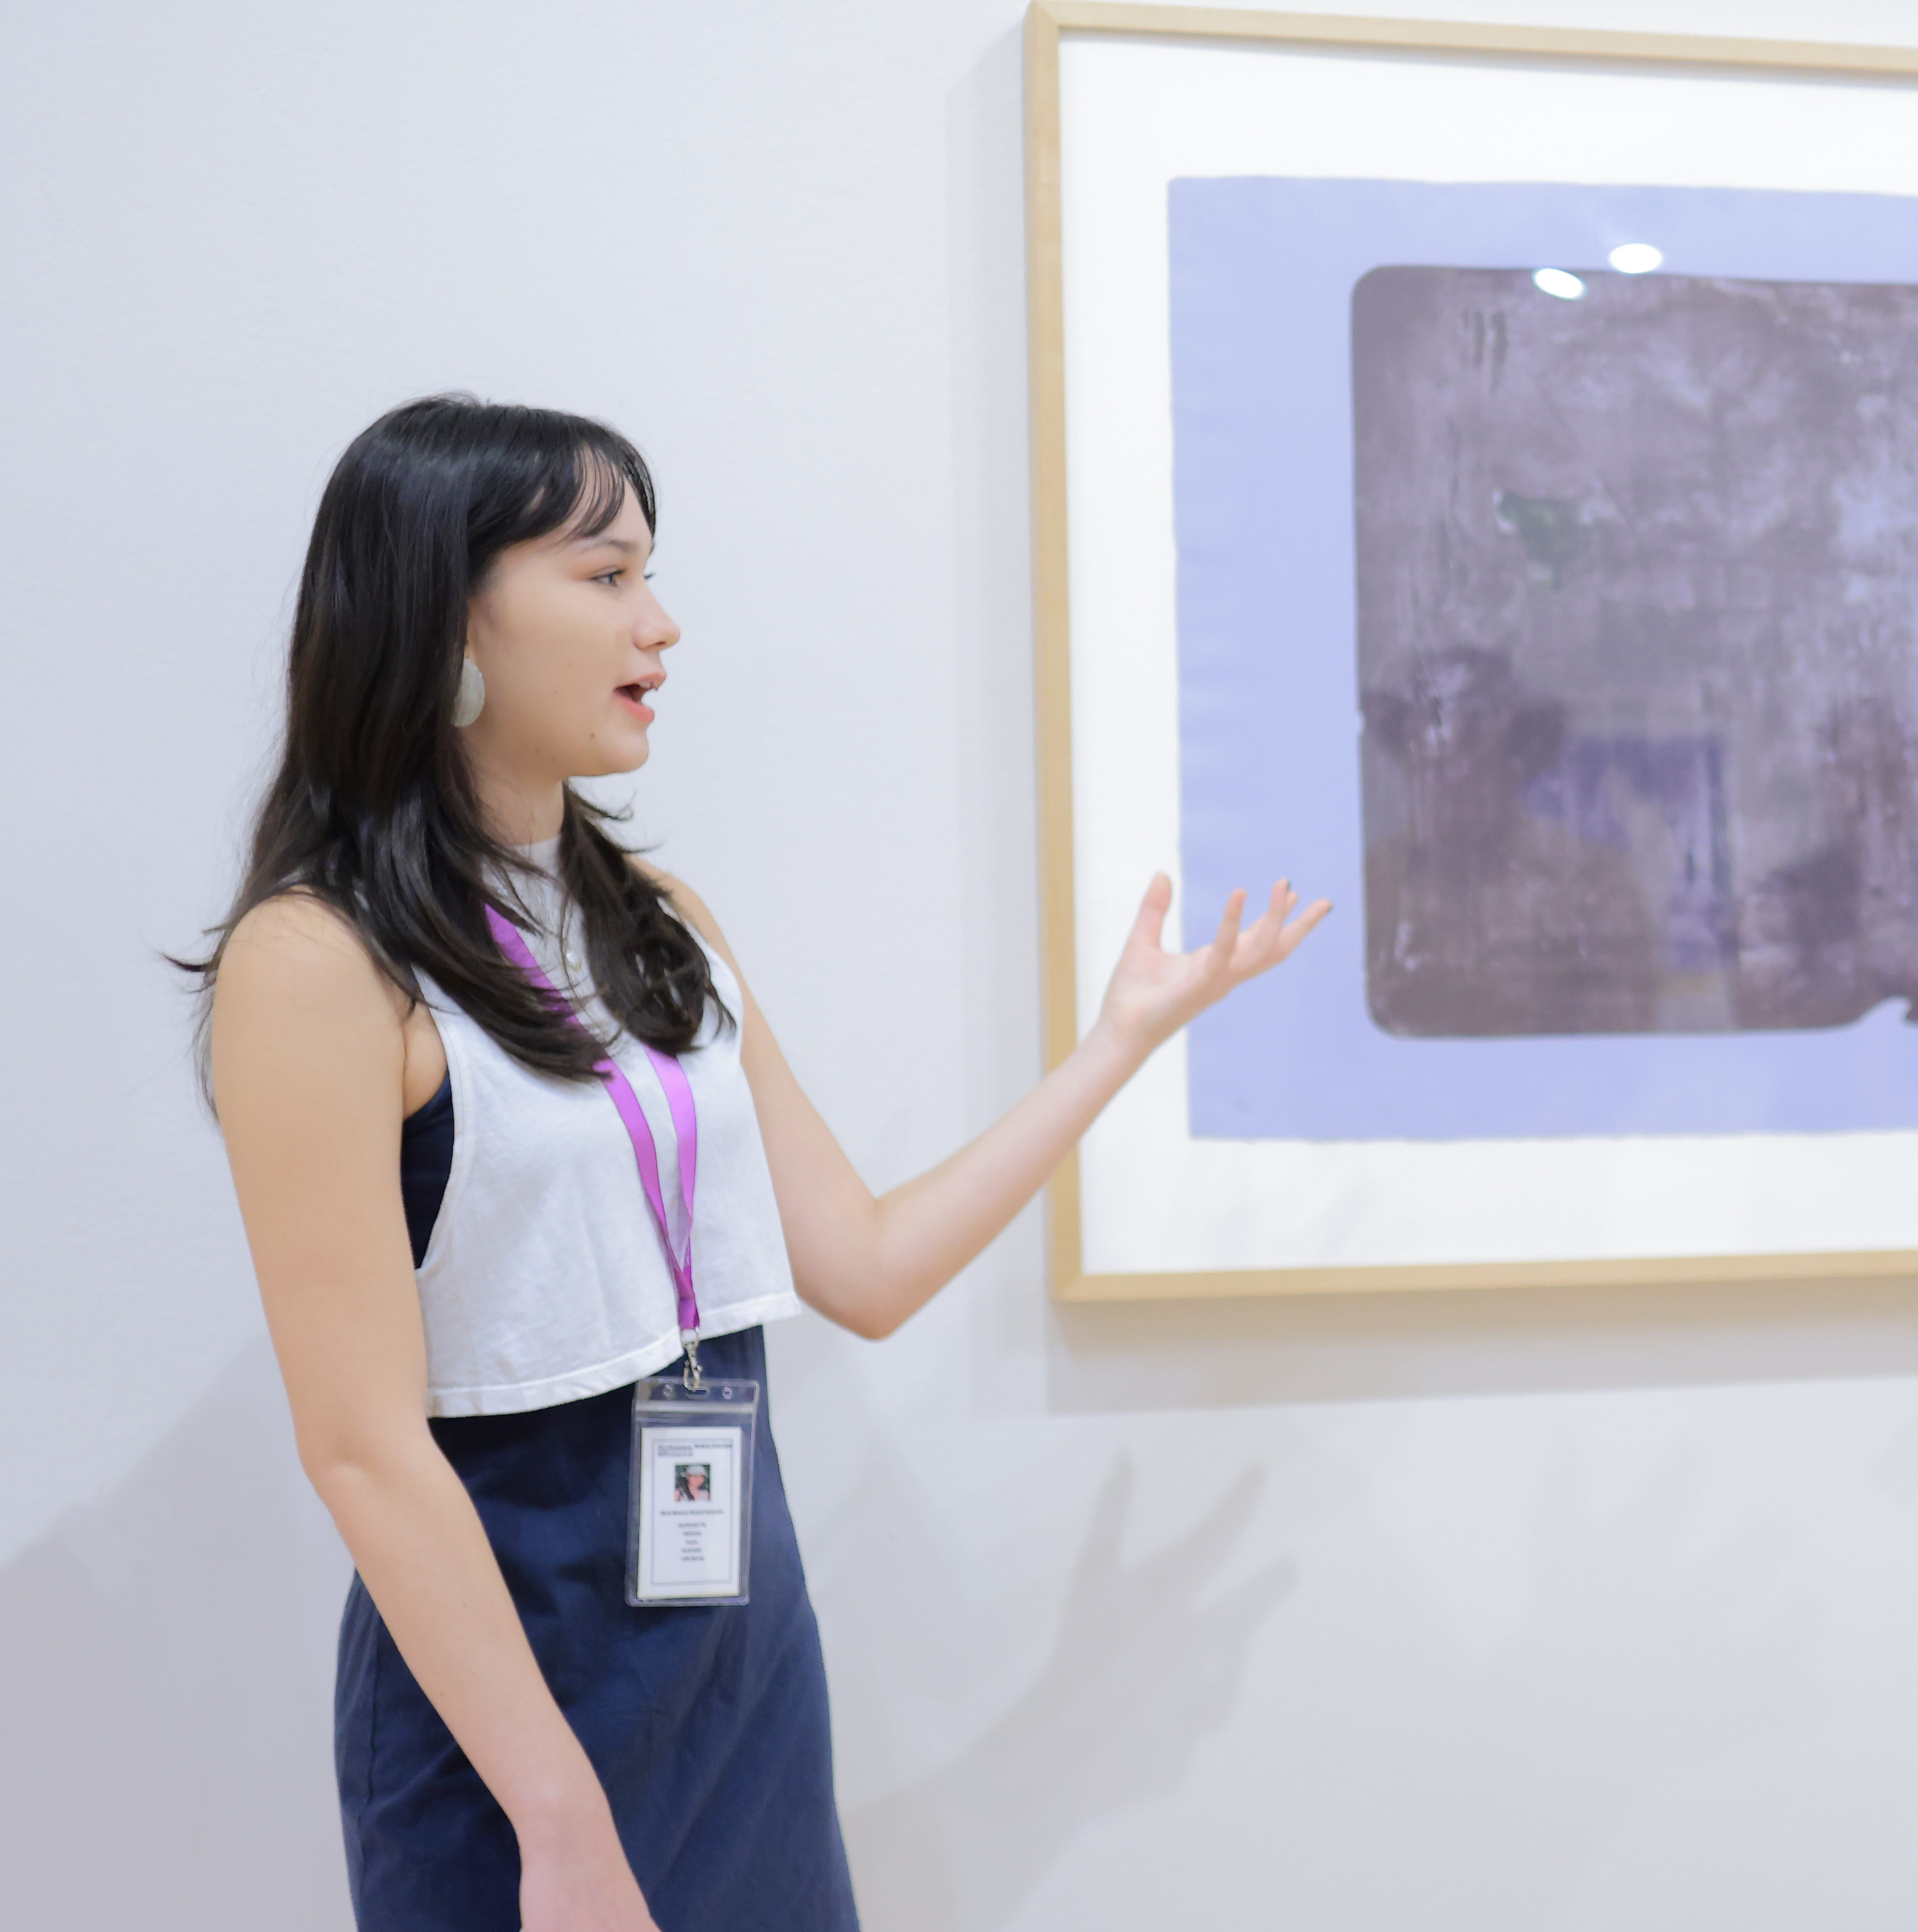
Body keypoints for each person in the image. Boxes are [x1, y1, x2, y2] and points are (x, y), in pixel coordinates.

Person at [191, 397, 1326, 1932]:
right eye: (606, 576)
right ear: (448, 612)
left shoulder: (657, 919)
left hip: (739, 1668)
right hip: (510, 1712)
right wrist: (557, 1822)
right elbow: (361, 1449)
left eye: (649, 575)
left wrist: (1113, 1046)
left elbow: (865, 1267)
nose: (657, 625)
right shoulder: (315, 962)